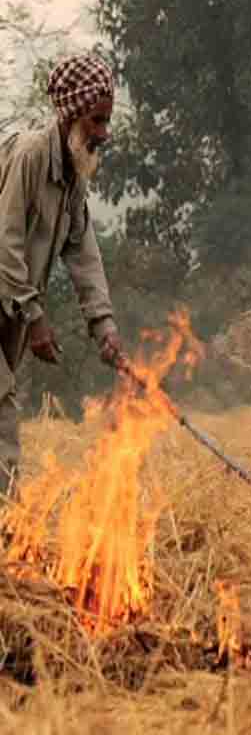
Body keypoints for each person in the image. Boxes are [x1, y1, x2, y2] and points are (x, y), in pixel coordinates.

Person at [0, 53, 125, 500]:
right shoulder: (31, 155)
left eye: (107, 121)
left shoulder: (74, 173)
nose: (103, 133)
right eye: (97, 120)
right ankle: (9, 530)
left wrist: (103, 323)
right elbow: (6, 241)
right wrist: (34, 316)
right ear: (72, 113)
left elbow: (82, 250)